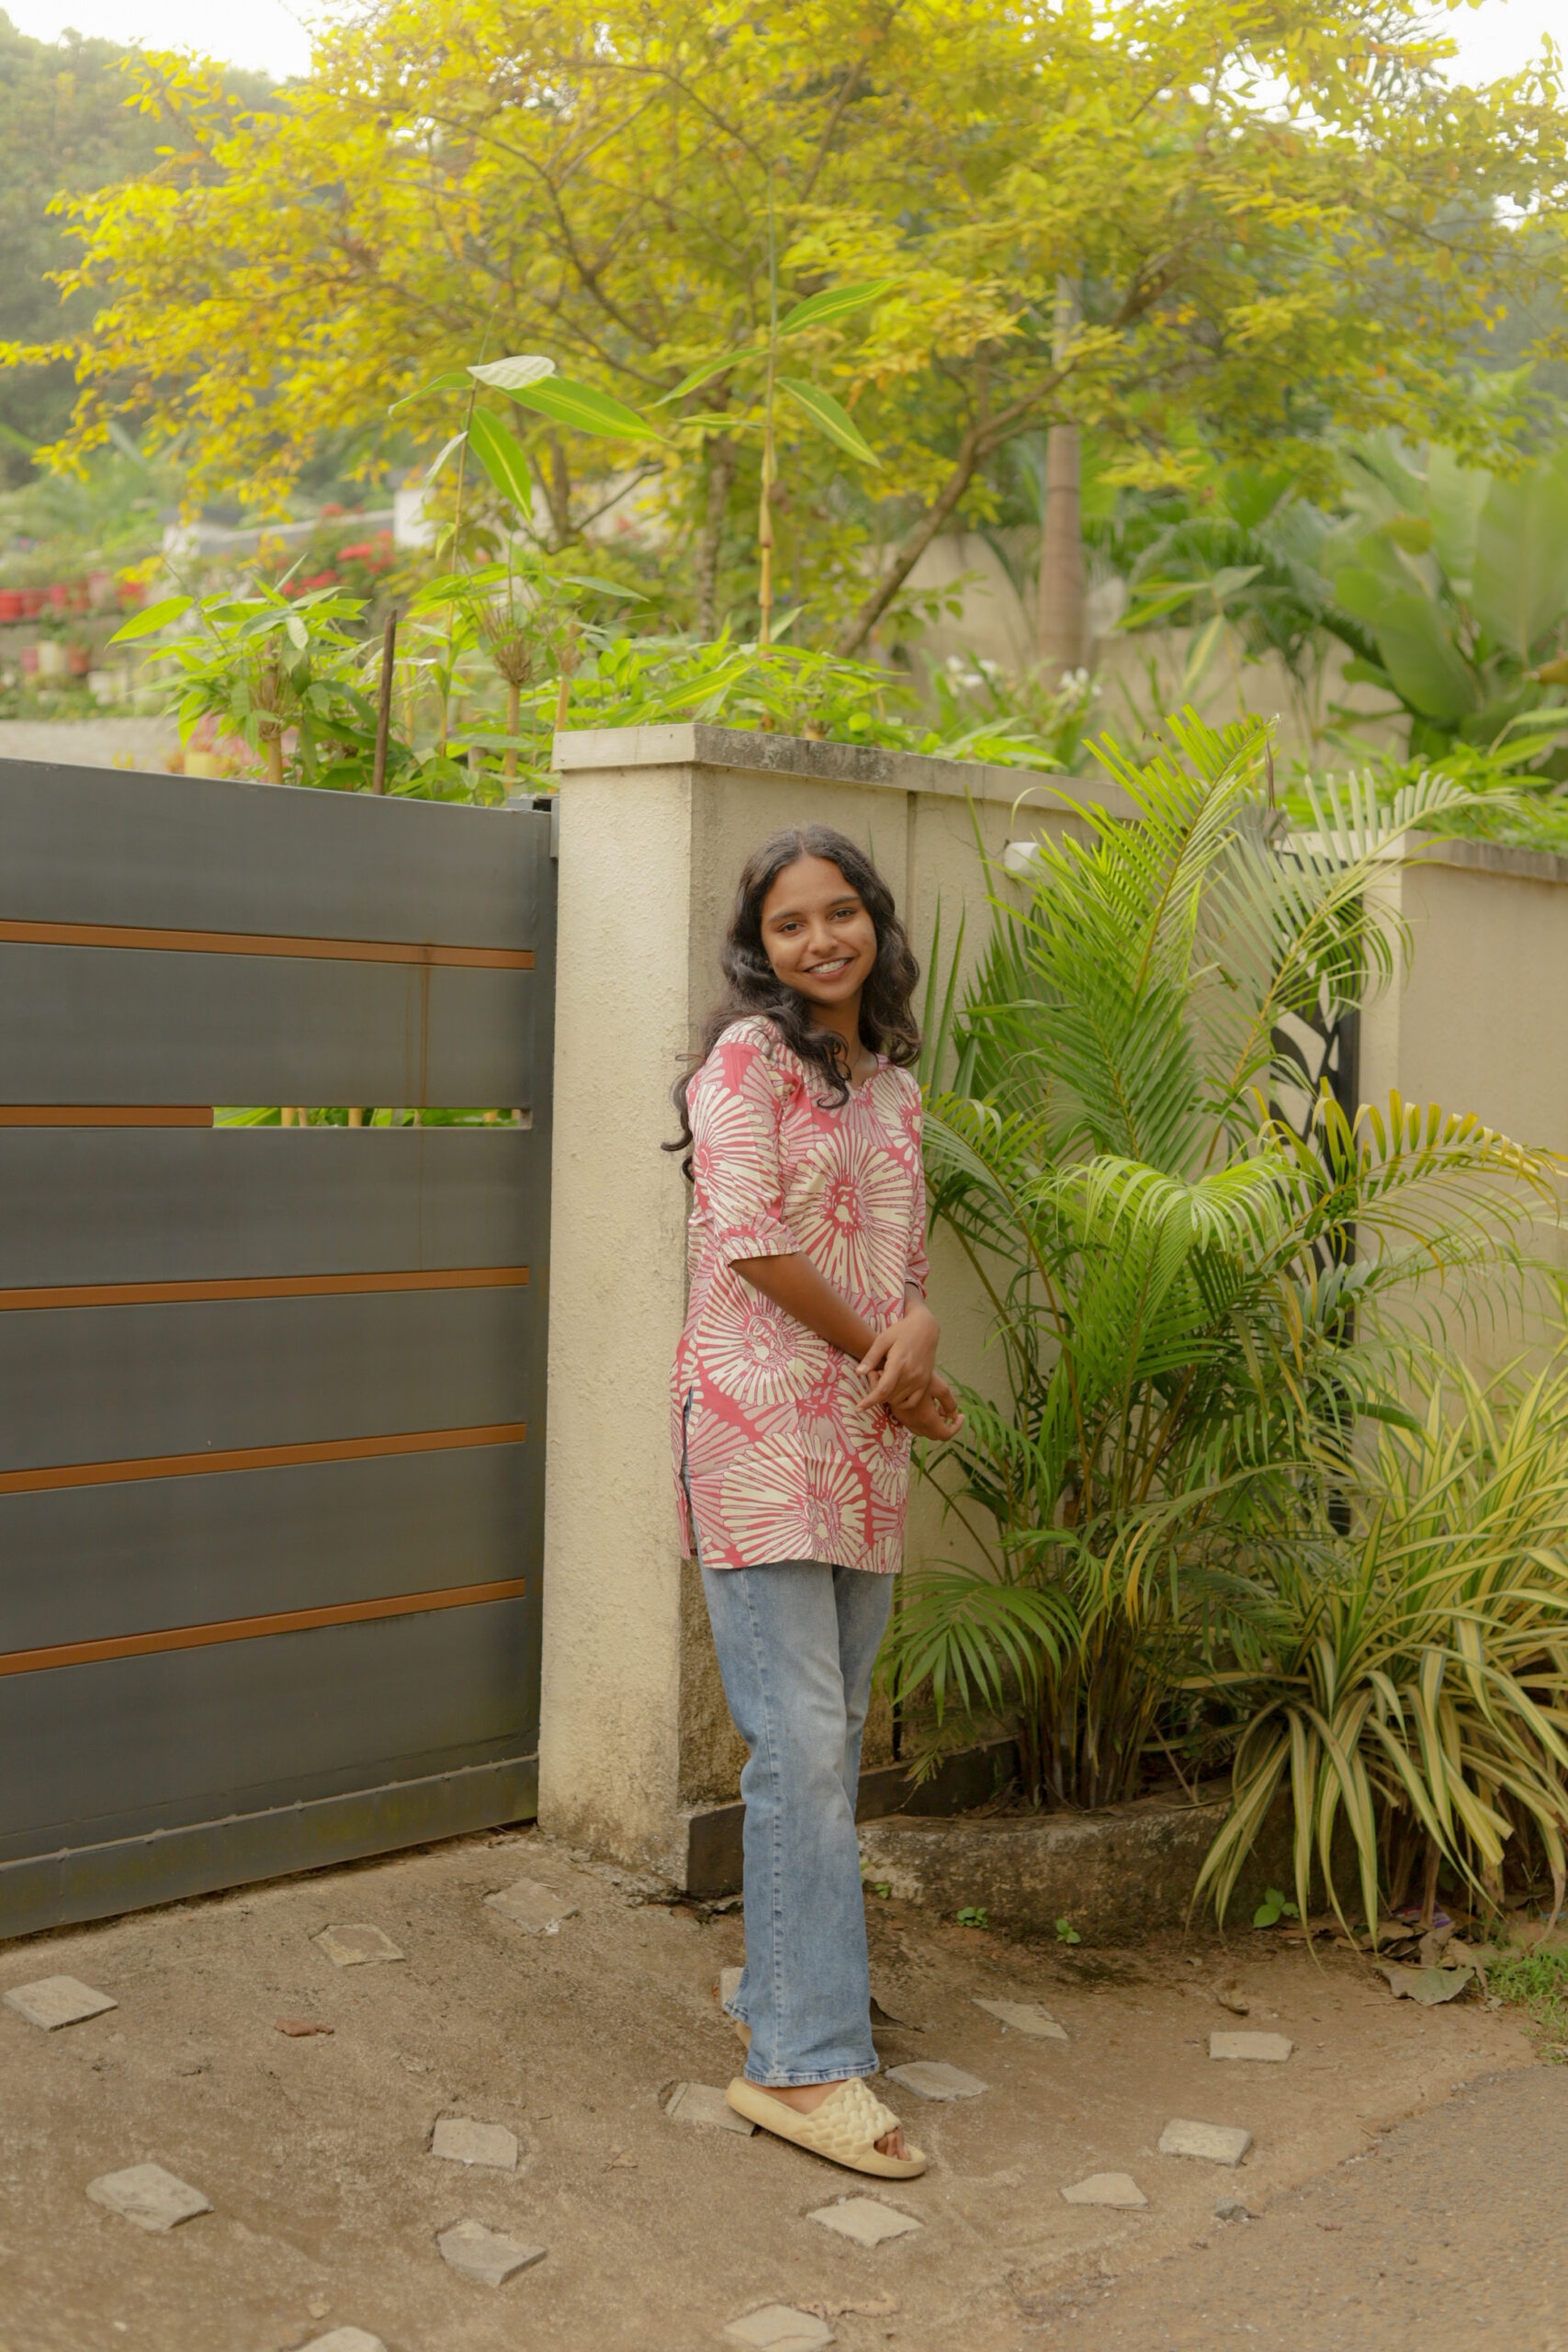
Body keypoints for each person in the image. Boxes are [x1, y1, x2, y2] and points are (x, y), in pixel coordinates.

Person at [667, 823, 963, 2178]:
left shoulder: (894, 1088)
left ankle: (787, 1980)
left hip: (862, 1442)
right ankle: (800, 2062)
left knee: (825, 1737)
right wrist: (874, 1350)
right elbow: (751, 1241)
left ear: (874, 925)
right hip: (757, 1429)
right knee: (802, 1747)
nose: (820, 941)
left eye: (841, 913)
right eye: (791, 924)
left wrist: (918, 1351)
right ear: (761, 945)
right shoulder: (744, 1062)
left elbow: (900, 1264)